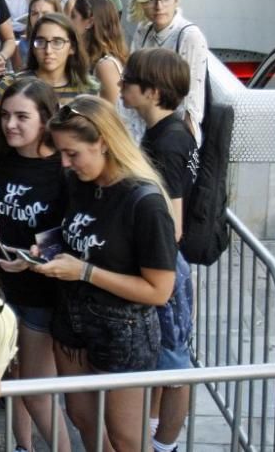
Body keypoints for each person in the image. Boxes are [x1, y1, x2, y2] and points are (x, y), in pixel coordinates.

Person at [33, 95, 177, 451]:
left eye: (73, 153)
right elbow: (81, 236)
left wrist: (84, 272)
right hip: (72, 323)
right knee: (84, 419)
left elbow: (159, 290)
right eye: (61, 153)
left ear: (103, 142)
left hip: (123, 331)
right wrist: (42, 253)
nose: (65, 163)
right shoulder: (79, 182)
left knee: (126, 436)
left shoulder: (145, 202)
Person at [0, 78, 72, 452]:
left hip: (41, 294)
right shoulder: (1, 158)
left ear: (46, 119)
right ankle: (23, 446)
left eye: (21, 116)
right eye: (5, 116)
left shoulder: (63, 168)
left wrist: (33, 257)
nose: (10, 125)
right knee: (12, 374)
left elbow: (73, 233)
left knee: (36, 391)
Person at [119, 47, 198, 452]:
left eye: (128, 81)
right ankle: (153, 433)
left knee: (173, 364)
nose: (119, 85)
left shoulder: (168, 142)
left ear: (152, 92)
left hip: (165, 267)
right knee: (163, 360)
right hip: (163, 264)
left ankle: (165, 444)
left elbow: (173, 222)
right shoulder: (168, 130)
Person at [0, 13, 99, 155]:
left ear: (72, 47)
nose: (48, 50)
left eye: (57, 42)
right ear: (32, 46)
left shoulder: (89, 90)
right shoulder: (9, 85)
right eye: (40, 42)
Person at [129, 0, 209, 140]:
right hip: (141, 130)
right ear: (141, 2)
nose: (159, 6)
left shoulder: (189, 36)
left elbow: (190, 104)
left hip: (171, 136)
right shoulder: (143, 31)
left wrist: (185, 151)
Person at [70, 0, 128, 106]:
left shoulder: (105, 66)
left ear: (90, 22)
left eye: (73, 16)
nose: (68, 21)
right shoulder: (86, 57)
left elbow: (114, 116)